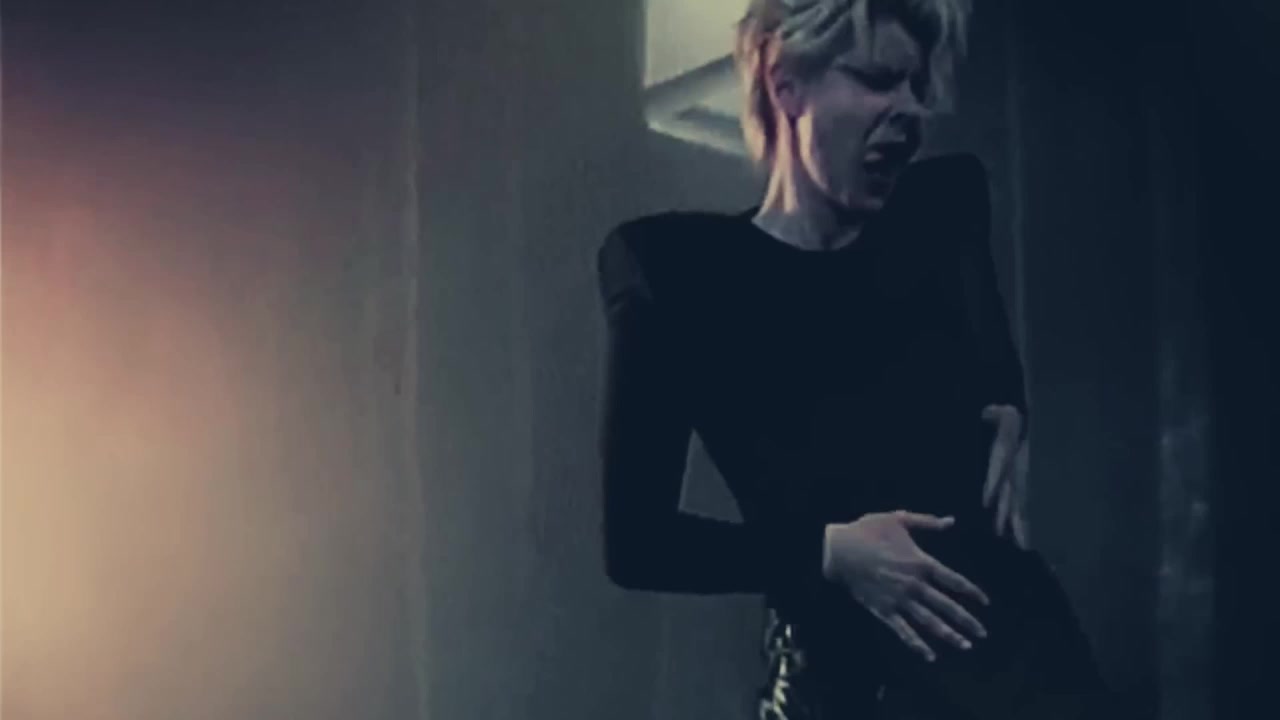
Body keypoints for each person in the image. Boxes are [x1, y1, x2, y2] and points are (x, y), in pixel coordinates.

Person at [595, 0, 1111, 717]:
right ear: (785, 84)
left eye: (915, 86)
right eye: (876, 80)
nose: (909, 109)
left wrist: (1006, 403)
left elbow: (987, 340)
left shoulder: (941, 213)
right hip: (845, 689)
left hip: (1030, 674)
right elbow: (637, 544)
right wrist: (827, 553)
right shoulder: (681, 277)